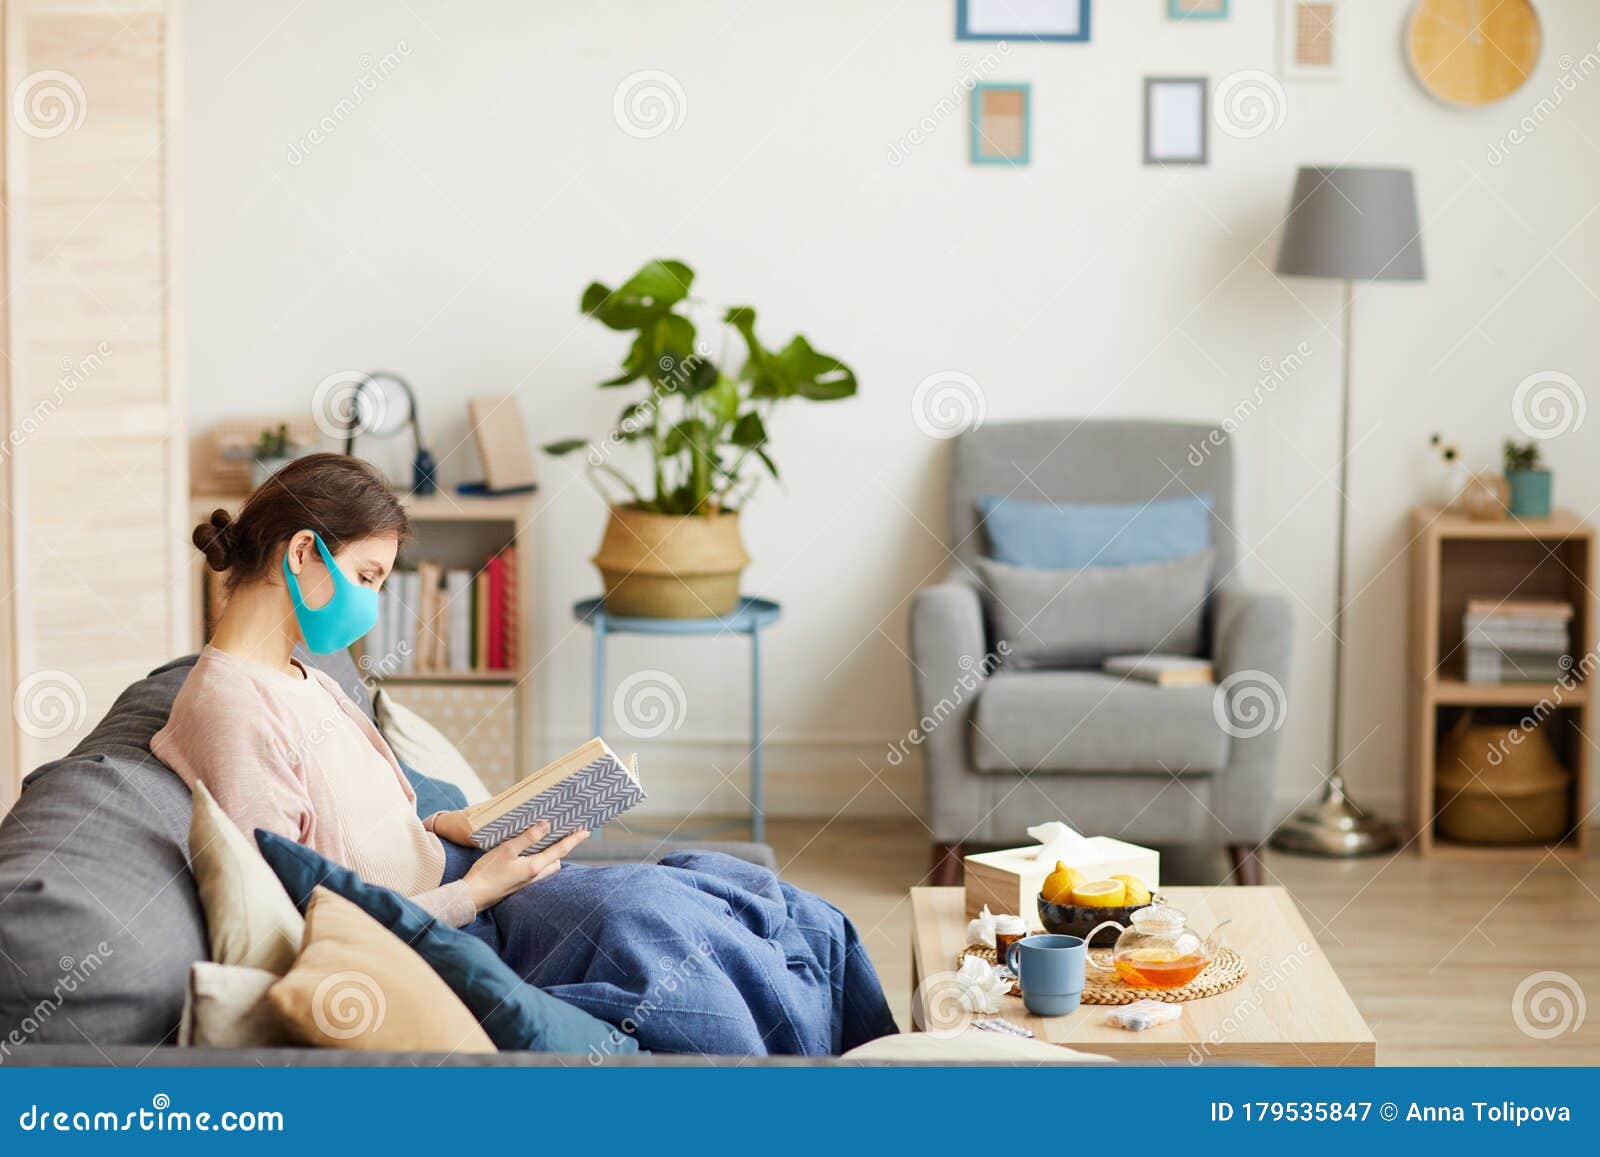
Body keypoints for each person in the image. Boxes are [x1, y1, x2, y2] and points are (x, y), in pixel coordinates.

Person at [154, 453, 897, 1055]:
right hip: (457, 924)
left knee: (741, 898)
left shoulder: (299, 673)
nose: (372, 606)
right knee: (676, 945)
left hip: (467, 881)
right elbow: (312, 915)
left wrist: (462, 823)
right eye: (368, 578)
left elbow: (357, 820)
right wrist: (477, 890)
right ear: (304, 552)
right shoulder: (228, 708)